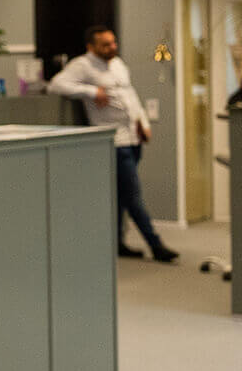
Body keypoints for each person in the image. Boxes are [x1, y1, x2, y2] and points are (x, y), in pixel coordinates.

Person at [51, 25, 177, 262]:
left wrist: (143, 122)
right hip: (113, 140)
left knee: (121, 195)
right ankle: (156, 245)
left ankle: (118, 242)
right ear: (91, 46)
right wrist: (91, 92)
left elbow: (131, 95)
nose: (112, 47)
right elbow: (56, 84)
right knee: (132, 195)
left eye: (113, 43)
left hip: (133, 137)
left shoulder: (118, 64)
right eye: (106, 44)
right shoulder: (82, 65)